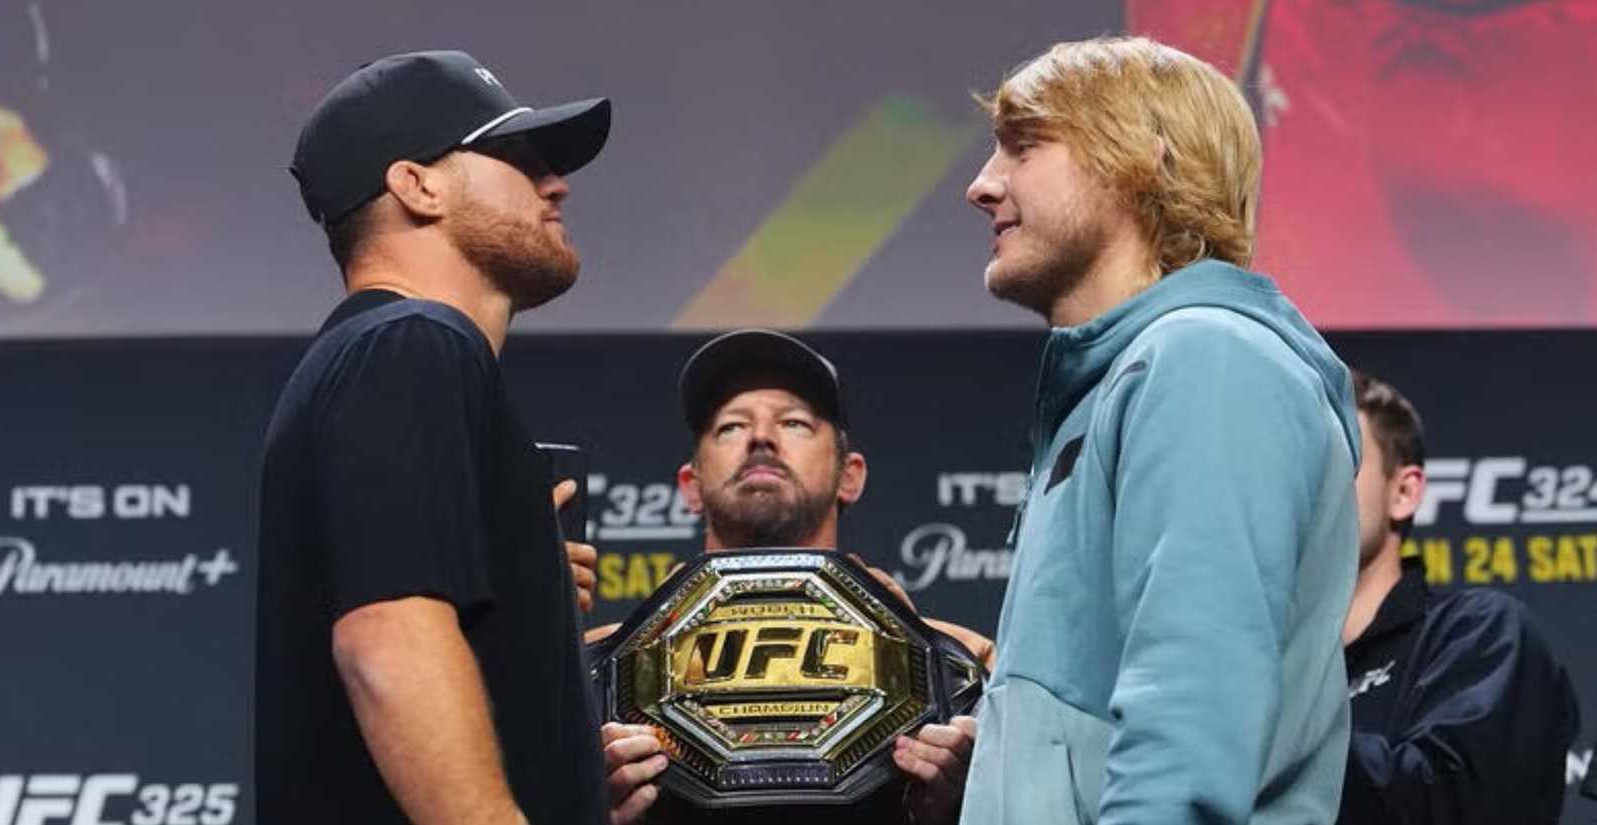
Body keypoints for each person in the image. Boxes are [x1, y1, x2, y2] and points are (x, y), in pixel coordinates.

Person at [958, 36, 1361, 824]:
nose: (982, 184)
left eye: (1023, 145)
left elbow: (1191, 706)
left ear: (1139, 158)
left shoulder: (1204, 358)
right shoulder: (1124, 381)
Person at [255, 50, 612, 825]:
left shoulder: (379, 355)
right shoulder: (412, 341)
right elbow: (387, 641)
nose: (557, 182)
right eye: (518, 156)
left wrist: (525, 589)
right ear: (416, 185)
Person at [585, 329, 990, 825]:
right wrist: (582, 802)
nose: (760, 437)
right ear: (689, 486)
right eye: (730, 427)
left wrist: (956, 806)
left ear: (851, 475)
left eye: (794, 423)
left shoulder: (961, 666)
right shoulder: (595, 674)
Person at [1340, 369, 1581, 824]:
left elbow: (1459, 804)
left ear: (1405, 492)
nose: (1306, 484)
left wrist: (1258, 737)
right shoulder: (1269, 661)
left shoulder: (1478, 631)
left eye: (1337, 460)